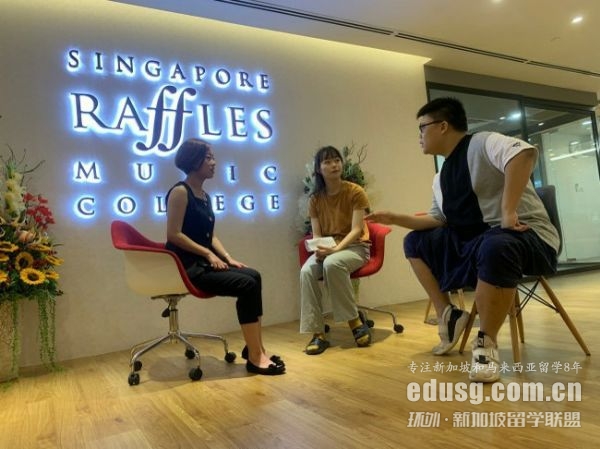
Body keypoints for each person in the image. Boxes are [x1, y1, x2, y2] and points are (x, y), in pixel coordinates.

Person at [366, 97, 558, 382]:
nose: (419, 136)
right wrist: (395, 218)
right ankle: (449, 316)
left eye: (422, 128)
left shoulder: (482, 142)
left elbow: (524, 153)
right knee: (415, 241)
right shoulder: (441, 176)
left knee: (496, 243)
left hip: (526, 237)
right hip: (477, 243)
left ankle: (486, 345)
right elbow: (437, 219)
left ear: (443, 126)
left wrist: (508, 212)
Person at [165, 138, 285, 375]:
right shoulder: (180, 192)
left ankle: (256, 348)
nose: (214, 163)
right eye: (208, 158)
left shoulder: (204, 195)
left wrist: (228, 258)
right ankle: (255, 358)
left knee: (254, 275)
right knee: (246, 285)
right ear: (194, 161)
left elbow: (210, 236)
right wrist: (208, 254)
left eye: (213, 158)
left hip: (204, 263)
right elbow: (174, 235)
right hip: (188, 268)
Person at [300, 145, 372, 355]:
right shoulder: (315, 199)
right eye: (328, 162)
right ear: (319, 169)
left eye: (337, 160)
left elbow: (357, 229)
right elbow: (316, 234)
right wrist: (319, 249)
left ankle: (354, 322)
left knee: (333, 263)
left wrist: (335, 250)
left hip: (355, 247)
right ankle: (318, 333)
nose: (334, 165)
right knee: (306, 271)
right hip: (329, 248)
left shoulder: (355, 191)